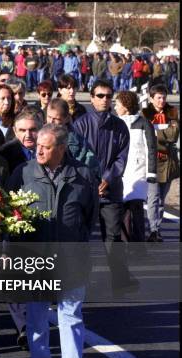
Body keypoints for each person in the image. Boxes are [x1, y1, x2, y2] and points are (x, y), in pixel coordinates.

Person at [6, 123, 98, 358]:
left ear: (61, 148)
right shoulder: (22, 173)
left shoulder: (82, 175)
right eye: (37, 145)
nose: (38, 150)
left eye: (45, 146)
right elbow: (10, 211)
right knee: (36, 318)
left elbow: (90, 216)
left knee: (70, 316)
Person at [73, 80, 135, 291]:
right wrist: (91, 180)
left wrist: (108, 178)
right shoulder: (80, 124)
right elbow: (76, 156)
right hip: (85, 191)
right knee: (80, 238)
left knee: (113, 237)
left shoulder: (120, 126)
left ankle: (120, 280)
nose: (105, 100)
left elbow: (122, 158)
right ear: (91, 98)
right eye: (100, 96)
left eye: (109, 96)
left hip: (112, 191)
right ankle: (78, 281)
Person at [113, 91, 157, 242]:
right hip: (120, 172)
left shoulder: (144, 123)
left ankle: (138, 245)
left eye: (117, 104)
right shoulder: (115, 122)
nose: (115, 107)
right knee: (122, 210)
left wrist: (151, 173)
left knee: (136, 209)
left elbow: (151, 149)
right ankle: (125, 243)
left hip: (138, 173)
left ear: (125, 106)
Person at [142, 85, 180, 242]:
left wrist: (155, 133)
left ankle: (157, 228)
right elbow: (145, 137)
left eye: (164, 97)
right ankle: (153, 229)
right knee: (153, 197)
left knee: (162, 200)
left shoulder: (172, 112)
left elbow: (173, 135)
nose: (162, 100)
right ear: (151, 99)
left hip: (169, 162)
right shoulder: (145, 114)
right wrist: (160, 134)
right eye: (158, 97)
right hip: (152, 162)